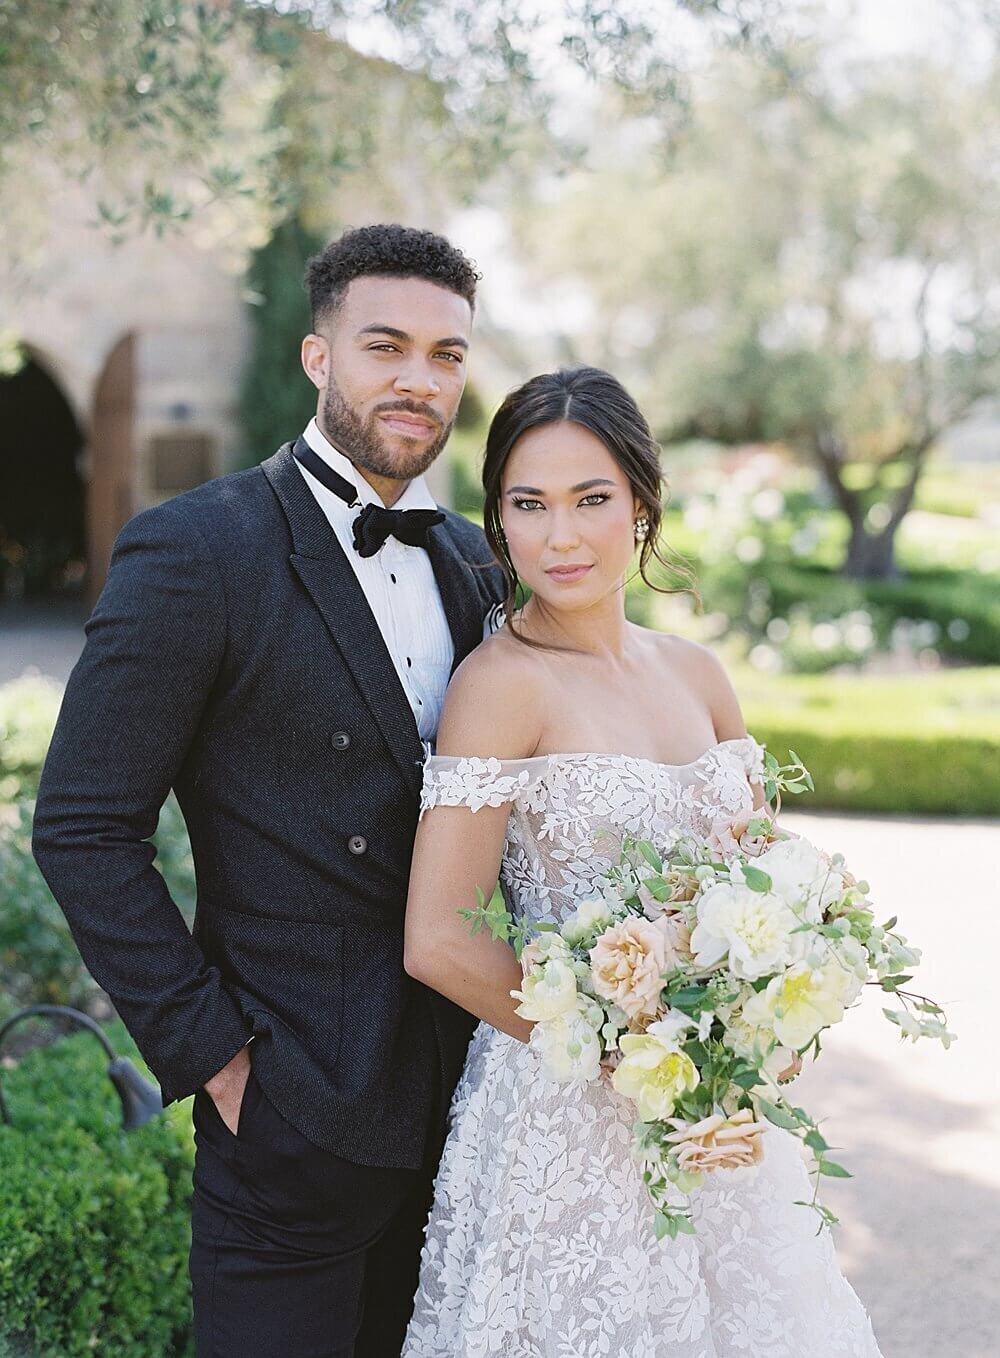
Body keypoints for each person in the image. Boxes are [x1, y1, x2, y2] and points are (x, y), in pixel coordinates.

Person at [31, 223, 505, 1358]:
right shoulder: (200, 548)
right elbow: (82, 824)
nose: (417, 379)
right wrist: (218, 1058)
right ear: (317, 356)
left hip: (476, 1109)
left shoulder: (474, 561)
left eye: (445, 354)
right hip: (296, 1116)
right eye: (385, 344)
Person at [401, 366, 883, 1357]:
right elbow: (439, 937)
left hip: (718, 1114)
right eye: (526, 504)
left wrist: (773, 1020)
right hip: (570, 1110)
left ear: (642, 501)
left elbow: (761, 881)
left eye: (591, 499)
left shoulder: (697, 674)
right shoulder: (501, 684)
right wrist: (623, 1052)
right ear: (495, 518)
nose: (559, 537)